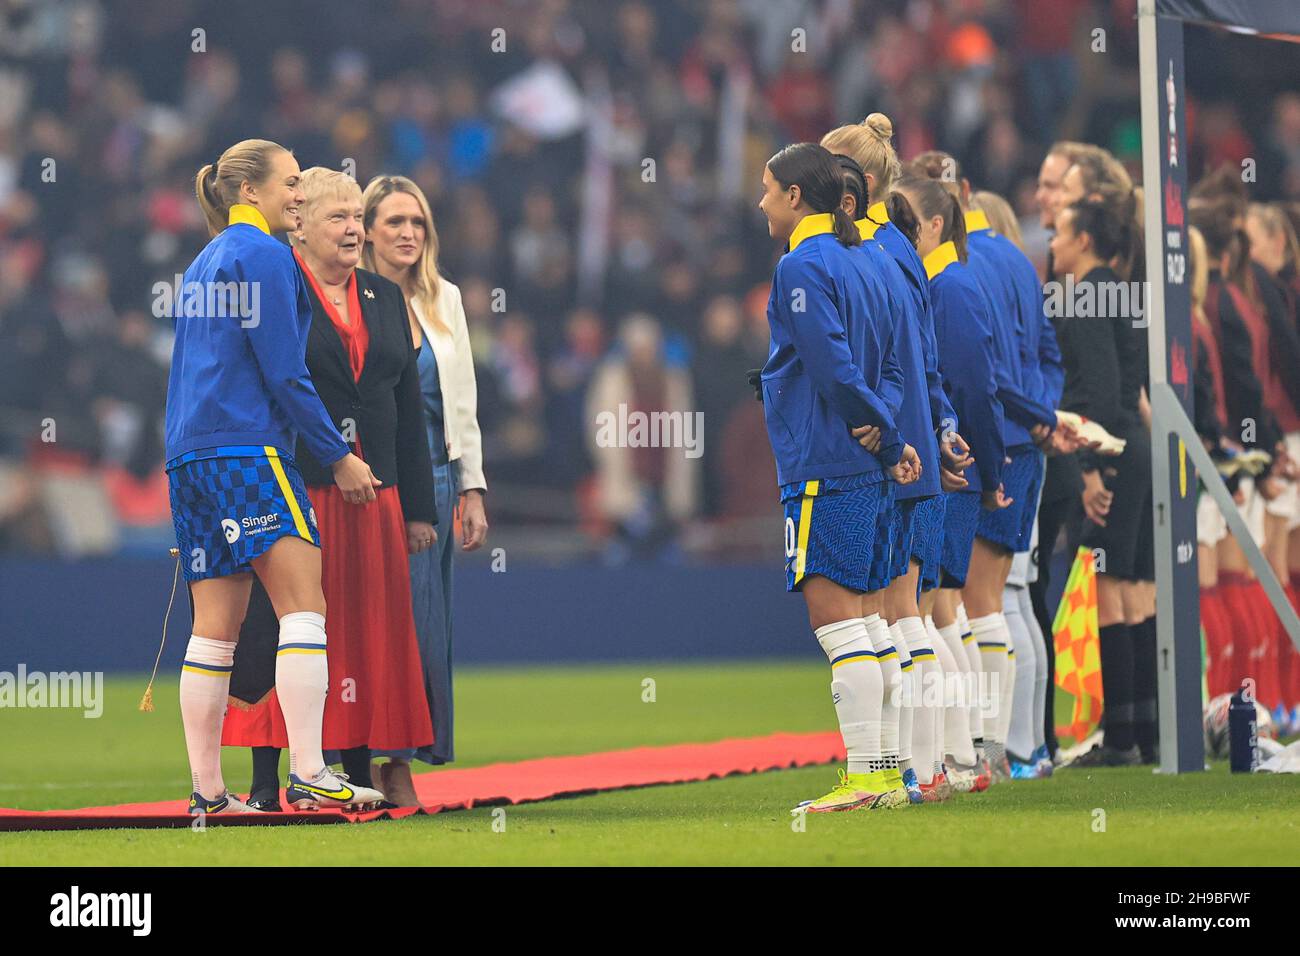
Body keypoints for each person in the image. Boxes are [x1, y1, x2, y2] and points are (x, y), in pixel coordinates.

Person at [167, 139, 384, 813]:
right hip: (248, 452)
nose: (298, 194)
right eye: (290, 183)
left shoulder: (204, 261)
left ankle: (208, 792)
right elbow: (284, 371)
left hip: (190, 456)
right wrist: (338, 454)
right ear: (250, 193)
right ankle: (313, 772)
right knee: (304, 610)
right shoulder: (265, 256)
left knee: (213, 631)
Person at [221, 167, 438, 809]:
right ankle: (266, 782)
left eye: (354, 217)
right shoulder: (280, 287)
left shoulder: (385, 295)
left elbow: (404, 408)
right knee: (281, 626)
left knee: (364, 635)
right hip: (298, 485)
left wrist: (419, 508)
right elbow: (270, 387)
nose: (352, 230)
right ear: (300, 226)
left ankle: (354, 770)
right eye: (336, 218)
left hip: (376, 494)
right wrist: (332, 456)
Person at [757, 141, 921, 813]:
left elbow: (829, 367)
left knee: (837, 624)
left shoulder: (802, 264)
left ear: (797, 196)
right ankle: (887, 774)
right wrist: (887, 431)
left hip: (825, 461)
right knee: (872, 620)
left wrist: (870, 425)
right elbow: (889, 362)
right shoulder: (872, 257)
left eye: (767, 189)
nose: (761, 202)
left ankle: (863, 778)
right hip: (870, 463)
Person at [823, 115, 973, 803]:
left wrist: (901, 433)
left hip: (889, 452)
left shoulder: (866, 254)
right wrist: (939, 425)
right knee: (911, 610)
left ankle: (914, 768)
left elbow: (877, 364)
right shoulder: (900, 250)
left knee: (894, 613)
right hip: (914, 439)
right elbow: (927, 363)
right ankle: (947, 759)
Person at [362, 174, 489, 805]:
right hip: (365, 478)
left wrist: (473, 487)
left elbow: (462, 399)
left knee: (422, 619)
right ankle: (356, 755)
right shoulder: (347, 296)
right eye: (395, 223)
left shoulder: (447, 298)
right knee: (367, 619)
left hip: (436, 479)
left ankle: (401, 758)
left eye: (417, 223)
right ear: (367, 231)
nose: (409, 233)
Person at [893, 172, 1009, 793]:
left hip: (951, 467)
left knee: (939, 613)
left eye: (907, 218)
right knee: (944, 613)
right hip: (955, 462)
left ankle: (955, 755)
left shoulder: (949, 287)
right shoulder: (944, 282)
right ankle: (963, 754)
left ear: (934, 223)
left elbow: (967, 385)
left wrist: (980, 466)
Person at [1052, 199, 1152, 766]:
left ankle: (1118, 743)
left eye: (1061, 231)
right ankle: (1146, 733)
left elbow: (1102, 390)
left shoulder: (1087, 295)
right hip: (1133, 451)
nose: (1053, 240)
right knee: (1133, 591)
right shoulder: (1121, 289)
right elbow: (1127, 383)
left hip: (1111, 455)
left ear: (1085, 239)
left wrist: (1093, 468)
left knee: (1109, 593)